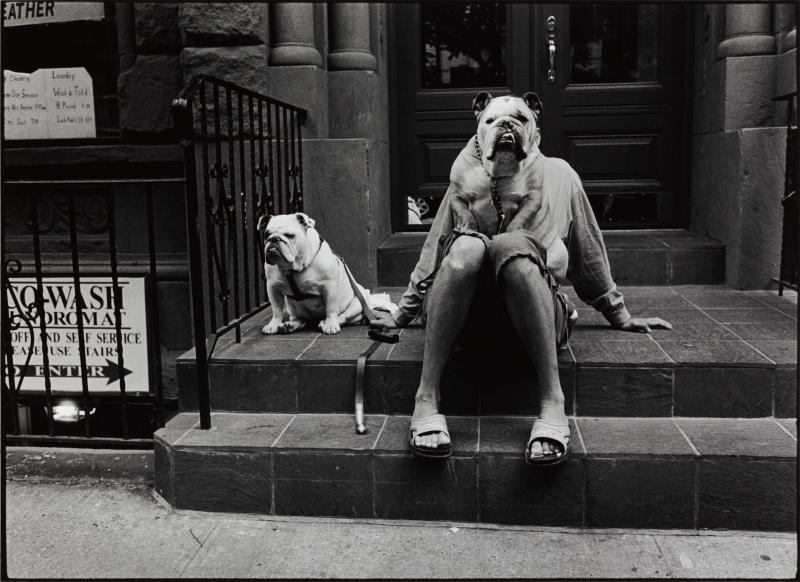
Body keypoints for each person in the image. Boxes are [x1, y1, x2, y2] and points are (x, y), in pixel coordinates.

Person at [371, 92, 671, 464]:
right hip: (466, 323)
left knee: (514, 249)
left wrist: (618, 312)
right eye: (493, 121)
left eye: (518, 120)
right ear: (478, 134)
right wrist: (403, 313)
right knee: (465, 249)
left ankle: (552, 401)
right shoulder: (465, 180)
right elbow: (434, 251)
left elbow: (588, 250)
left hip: (534, 317)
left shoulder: (560, 175)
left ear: (536, 133)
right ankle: (426, 396)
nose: (506, 127)